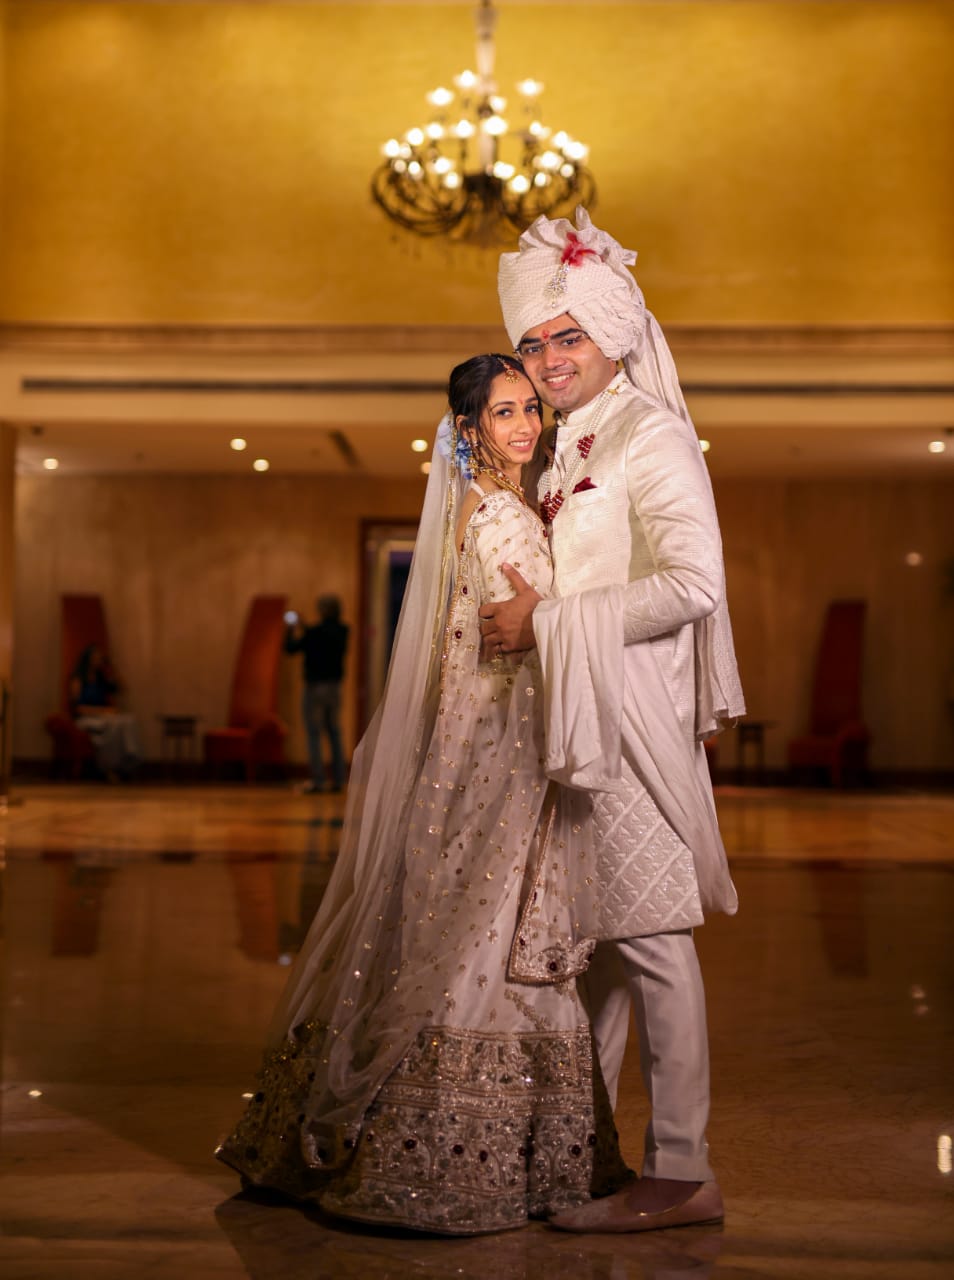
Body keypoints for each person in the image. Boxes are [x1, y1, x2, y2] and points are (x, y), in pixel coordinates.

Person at [216, 354, 628, 1235]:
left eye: (530, 408)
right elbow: (531, 640)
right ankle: (446, 1157)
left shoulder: (472, 515)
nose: (524, 424)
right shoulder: (510, 522)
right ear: (470, 426)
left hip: (470, 749)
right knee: (490, 933)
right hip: (506, 755)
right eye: (504, 411)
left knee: (447, 928)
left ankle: (373, 1131)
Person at [478, 208, 746, 1234]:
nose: (548, 358)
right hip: (569, 721)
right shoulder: (558, 446)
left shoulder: (651, 434)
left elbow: (692, 582)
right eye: (534, 340)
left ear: (613, 333)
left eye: (568, 335)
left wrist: (548, 620)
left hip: (629, 723)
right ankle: (578, 1149)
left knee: (654, 940)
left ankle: (682, 1167)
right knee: (595, 941)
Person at [284, 595, 349, 793]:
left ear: (323, 610)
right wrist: (306, 628)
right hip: (334, 688)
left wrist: (291, 630)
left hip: (314, 688)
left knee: (314, 733)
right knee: (334, 732)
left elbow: (291, 648)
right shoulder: (344, 630)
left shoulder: (314, 632)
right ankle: (339, 780)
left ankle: (318, 780)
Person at [69, 643, 142, 781]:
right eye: (95, 658)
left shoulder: (101, 678)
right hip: (87, 718)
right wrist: (102, 711)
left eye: (100, 658)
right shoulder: (78, 679)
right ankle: (109, 767)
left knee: (128, 721)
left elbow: (122, 688)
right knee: (113, 726)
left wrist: (111, 669)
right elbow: (77, 708)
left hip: (105, 716)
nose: (98, 661)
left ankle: (130, 760)